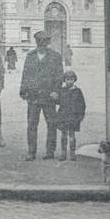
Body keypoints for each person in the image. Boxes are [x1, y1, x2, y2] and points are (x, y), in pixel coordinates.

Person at [19, 30, 64, 160]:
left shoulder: (55, 56)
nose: (42, 44)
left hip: (49, 96)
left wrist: (56, 91)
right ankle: (31, 152)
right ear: (36, 42)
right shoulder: (30, 56)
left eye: (45, 41)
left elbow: (59, 76)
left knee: (51, 124)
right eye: (39, 41)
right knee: (32, 125)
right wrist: (23, 90)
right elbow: (25, 74)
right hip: (33, 96)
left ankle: (50, 151)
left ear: (48, 42)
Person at [57, 70, 86, 160]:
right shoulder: (62, 90)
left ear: (74, 80)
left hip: (73, 116)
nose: (69, 81)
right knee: (63, 135)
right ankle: (63, 153)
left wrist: (80, 116)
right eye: (67, 79)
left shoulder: (78, 91)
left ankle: (72, 153)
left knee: (72, 135)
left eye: (71, 79)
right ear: (64, 80)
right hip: (63, 116)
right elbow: (59, 102)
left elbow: (82, 104)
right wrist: (55, 98)